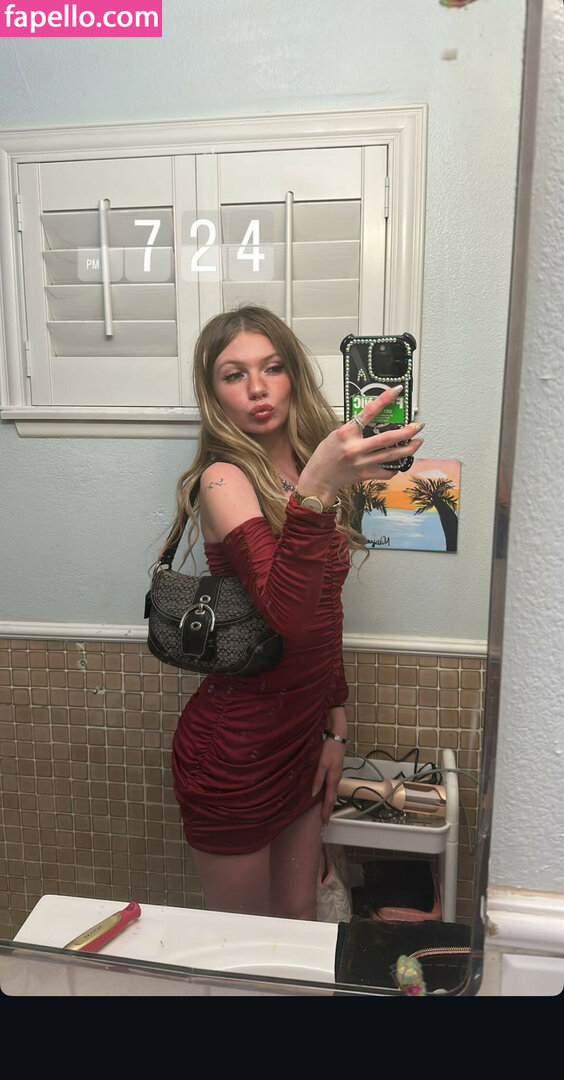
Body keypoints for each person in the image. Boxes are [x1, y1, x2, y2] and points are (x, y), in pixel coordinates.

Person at [163, 306, 424, 920]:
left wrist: (335, 728)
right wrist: (319, 487)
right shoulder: (224, 480)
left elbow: (325, 615)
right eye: (234, 375)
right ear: (213, 394)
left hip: (302, 744)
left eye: (272, 367)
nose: (257, 388)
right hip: (233, 755)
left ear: (294, 377)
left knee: (299, 919)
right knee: (240, 948)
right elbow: (289, 616)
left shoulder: (307, 470)